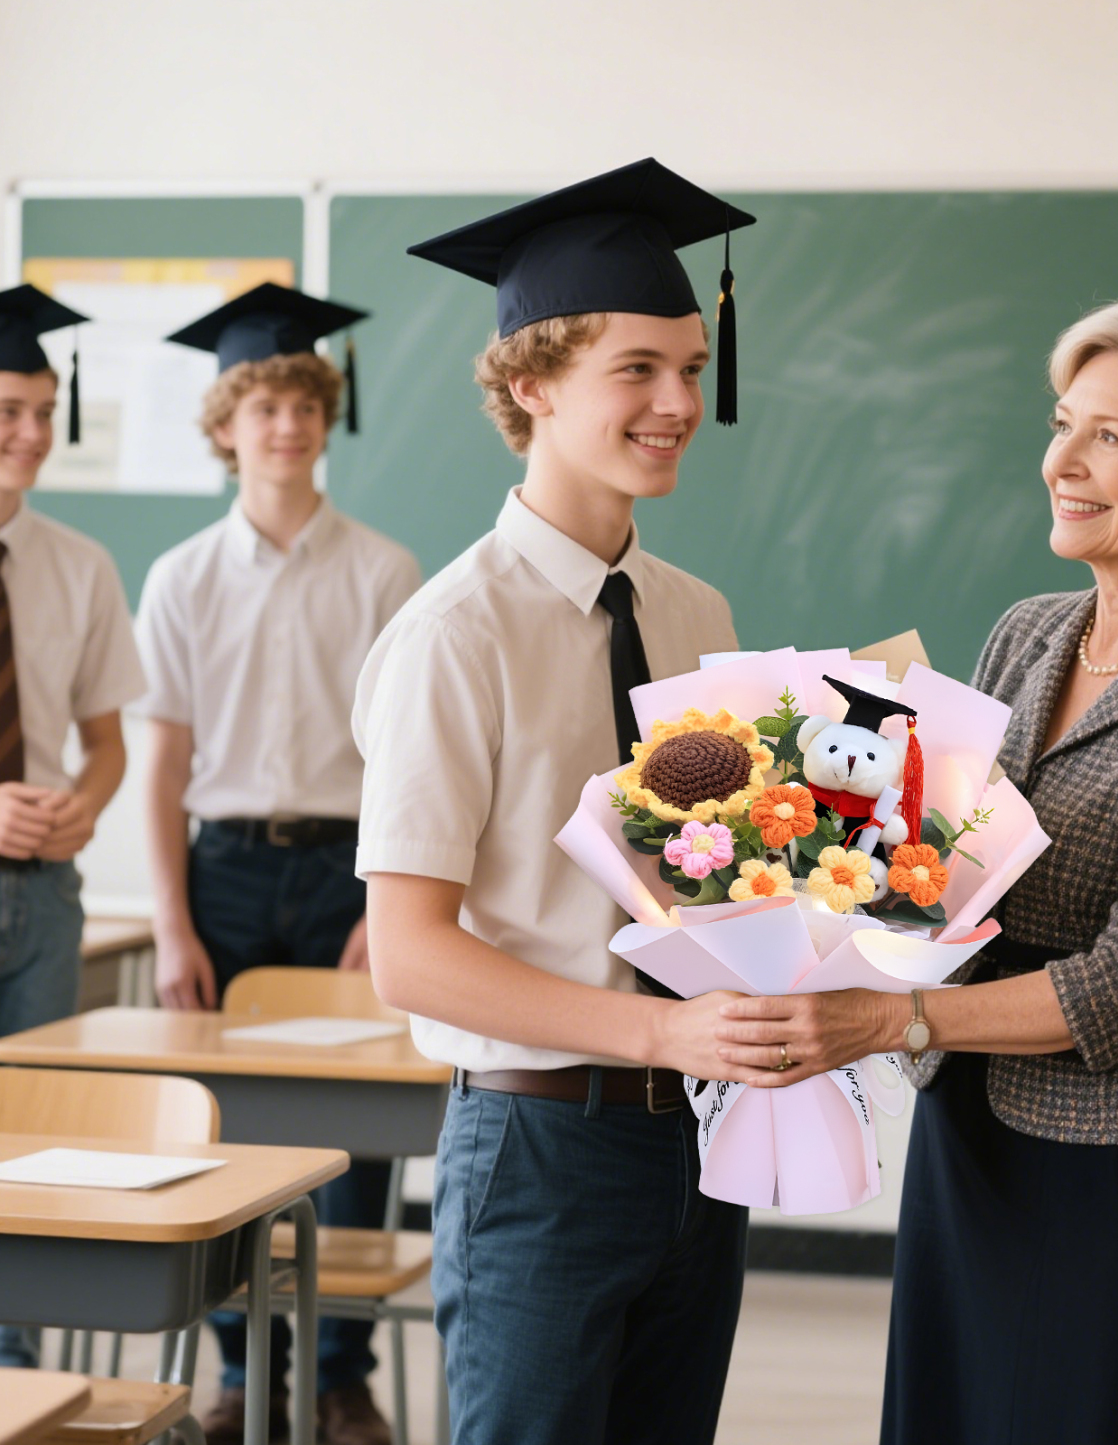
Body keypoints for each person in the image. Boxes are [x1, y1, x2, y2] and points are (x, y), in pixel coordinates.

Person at [715, 293, 1118, 1444]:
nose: (1061, 461)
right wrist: (813, 873)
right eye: (1061, 423)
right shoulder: (1027, 631)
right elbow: (949, 865)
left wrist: (885, 1018)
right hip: (975, 1137)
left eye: (1108, 436)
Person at [355, 158, 776, 1445]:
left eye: (692, 369)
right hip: (538, 1148)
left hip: (696, 1143)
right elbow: (411, 957)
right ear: (531, 384)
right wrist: (659, 1038)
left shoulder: (695, 612)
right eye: (636, 370)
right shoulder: (452, 633)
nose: (677, 403)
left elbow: (706, 883)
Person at [135, 283, 421, 1445]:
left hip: (351, 862)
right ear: (226, 426)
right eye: (264, 407)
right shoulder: (180, 578)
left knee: (354, 1119)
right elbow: (160, 767)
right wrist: (171, 926)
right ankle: (245, 1370)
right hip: (225, 873)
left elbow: (410, 764)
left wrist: (382, 905)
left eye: (305, 403)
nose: (287, 425)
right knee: (227, 1126)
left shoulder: (385, 572)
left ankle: (342, 1368)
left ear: (324, 416)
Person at [0, 284, 146, 1371]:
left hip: (46, 903)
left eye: (45, 409)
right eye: (9, 408)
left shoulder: (78, 563)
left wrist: (87, 803)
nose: (32, 433)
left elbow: (106, 737)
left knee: (31, 1136)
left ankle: (16, 1374)